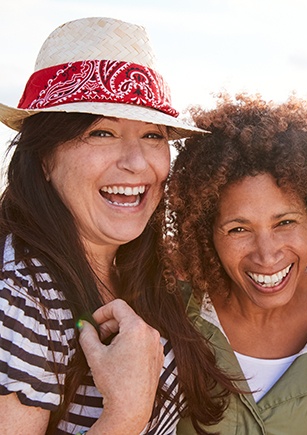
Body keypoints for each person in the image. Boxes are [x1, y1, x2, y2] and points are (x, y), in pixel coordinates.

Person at [0, 17, 237, 434]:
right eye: (102, 132)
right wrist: (126, 412)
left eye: (152, 135)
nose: (136, 163)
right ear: (43, 158)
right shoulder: (19, 295)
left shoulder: (139, 267)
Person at [165, 93, 307, 434]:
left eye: (285, 223)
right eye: (238, 229)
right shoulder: (171, 310)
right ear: (205, 232)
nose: (266, 254)